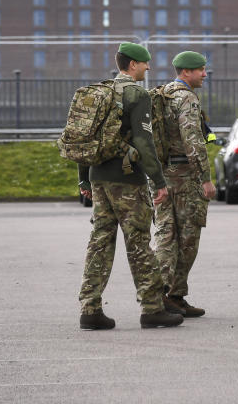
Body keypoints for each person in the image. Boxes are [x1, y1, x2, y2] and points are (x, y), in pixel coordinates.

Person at [77, 42, 184, 330]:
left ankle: (90, 309)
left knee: (99, 241)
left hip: (98, 177)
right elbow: (143, 141)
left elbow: (85, 140)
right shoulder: (137, 94)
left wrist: (84, 178)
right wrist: (159, 181)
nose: (148, 68)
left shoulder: (100, 92)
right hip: (127, 181)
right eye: (145, 63)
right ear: (133, 64)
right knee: (138, 242)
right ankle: (152, 308)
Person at [153, 51, 216, 318]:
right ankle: (166, 296)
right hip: (184, 176)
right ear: (186, 72)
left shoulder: (163, 94)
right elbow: (193, 141)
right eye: (201, 70)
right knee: (186, 239)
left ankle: (170, 297)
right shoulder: (186, 98)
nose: (204, 74)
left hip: (163, 173)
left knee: (166, 234)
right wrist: (206, 178)